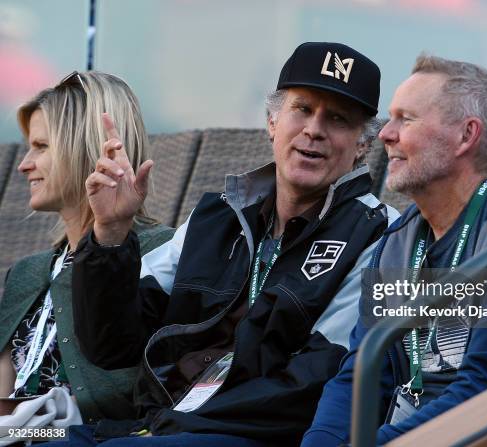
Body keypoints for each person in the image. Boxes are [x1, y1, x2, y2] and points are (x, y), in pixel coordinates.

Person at [65, 42, 399, 446]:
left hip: (245, 436)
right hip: (160, 427)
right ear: (273, 121)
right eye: (303, 109)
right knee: (33, 439)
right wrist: (111, 234)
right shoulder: (216, 217)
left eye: (339, 119)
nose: (314, 129)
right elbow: (111, 345)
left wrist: (183, 424)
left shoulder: (379, 235)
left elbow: (315, 384)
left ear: (363, 144)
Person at [302, 54, 487, 446]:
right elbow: (359, 374)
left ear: (466, 135)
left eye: (407, 118)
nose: (386, 133)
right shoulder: (397, 243)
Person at [0, 71, 174, 423]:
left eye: (41, 147)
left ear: (84, 148)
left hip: (84, 437)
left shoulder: (164, 254)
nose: (24, 165)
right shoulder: (27, 273)